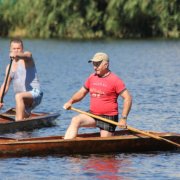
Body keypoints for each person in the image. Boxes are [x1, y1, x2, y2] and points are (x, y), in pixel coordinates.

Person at [63, 52, 132, 139]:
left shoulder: (115, 80)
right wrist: (70, 102)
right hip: (93, 115)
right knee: (75, 120)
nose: (95, 67)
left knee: (105, 145)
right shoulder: (92, 77)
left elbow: (128, 98)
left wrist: (124, 118)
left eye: (97, 64)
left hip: (108, 118)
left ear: (106, 64)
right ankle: (67, 146)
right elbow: (81, 93)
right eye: (94, 64)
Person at [0, 38, 43, 121]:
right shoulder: (9, 67)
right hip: (24, 101)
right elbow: (5, 86)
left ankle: (18, 126)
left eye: (18, 49)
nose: (16, 51)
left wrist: (18, 55)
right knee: (22, 118)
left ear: (22, 49)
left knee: (18, 96)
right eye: (14, 49)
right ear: (10, 50)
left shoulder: (27, 59)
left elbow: (28, 55)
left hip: (35, 94)